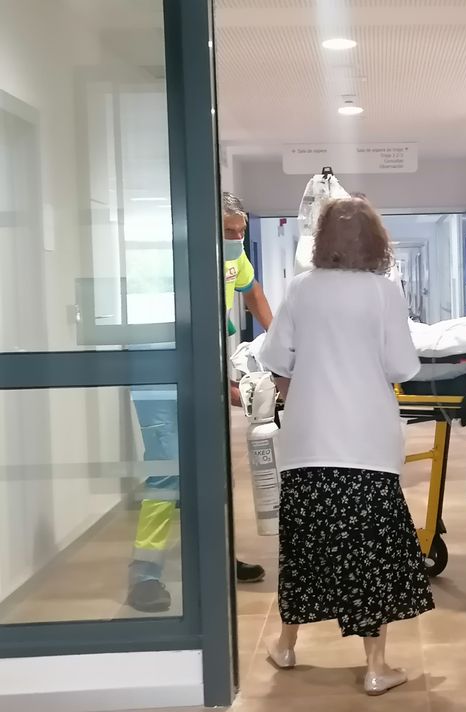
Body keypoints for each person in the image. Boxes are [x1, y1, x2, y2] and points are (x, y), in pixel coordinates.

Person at [259, 197, 434, 696]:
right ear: (377, 241)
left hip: (307, 442)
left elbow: (277, 361)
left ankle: (287, 644)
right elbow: (402, 367)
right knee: (370, 553)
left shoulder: (298, 289)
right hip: (367, 442)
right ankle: (376, 667)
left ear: (322, 241)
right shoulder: (384, 292)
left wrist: (302, 394)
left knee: (305, 548)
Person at [126, 192, 274, 613]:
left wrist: (284, 341)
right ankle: (145, 573)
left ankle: (216, 560)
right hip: (158, 378)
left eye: (242, 229)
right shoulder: (170, 261)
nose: (238, 237)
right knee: (167, 476)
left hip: (200, 372)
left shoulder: (233, 257)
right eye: (230, 231)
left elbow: (254, 294)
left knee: (212, 472)